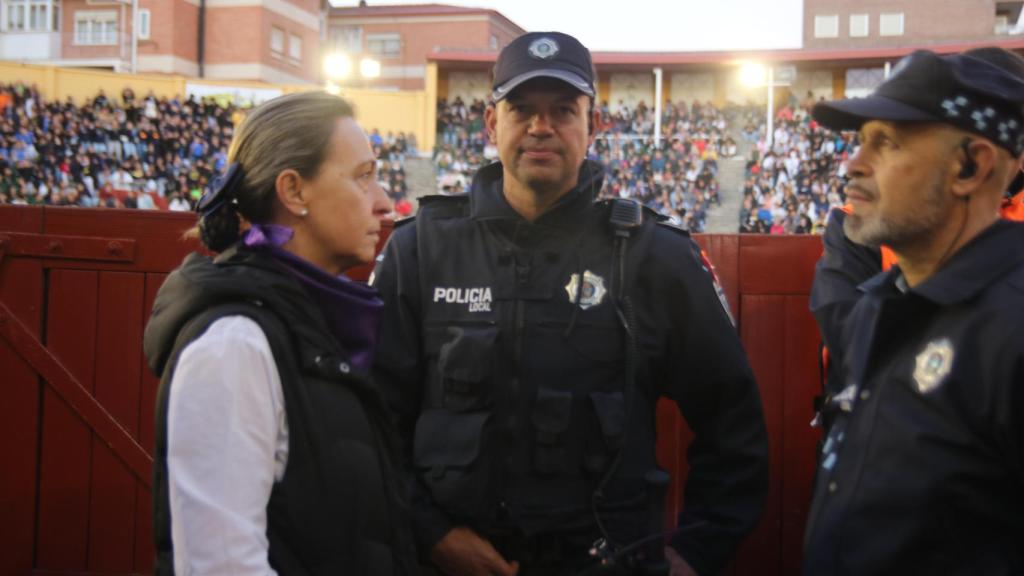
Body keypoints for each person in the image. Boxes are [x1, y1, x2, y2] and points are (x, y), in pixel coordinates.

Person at [372, 32, 768, 576]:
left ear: (594, 126)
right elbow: (371, 421)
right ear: (491, 124)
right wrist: (432, 534)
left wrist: (694, 553)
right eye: (522, 110)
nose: (541, 127)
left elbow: (734, 422)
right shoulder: (420, 249)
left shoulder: (655, 255)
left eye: (563, 110)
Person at [142, 92, 418, 575]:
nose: (383, 204)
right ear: (294, 191)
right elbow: (221, 565)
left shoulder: (302, 323)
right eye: (363, 176)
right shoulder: (234, 345)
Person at [803, 48, 1024, 574]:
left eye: (887, 142)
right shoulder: (875, 306)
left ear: (969, 166)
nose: (853, 164)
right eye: (860, 141)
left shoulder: (1013, 330)